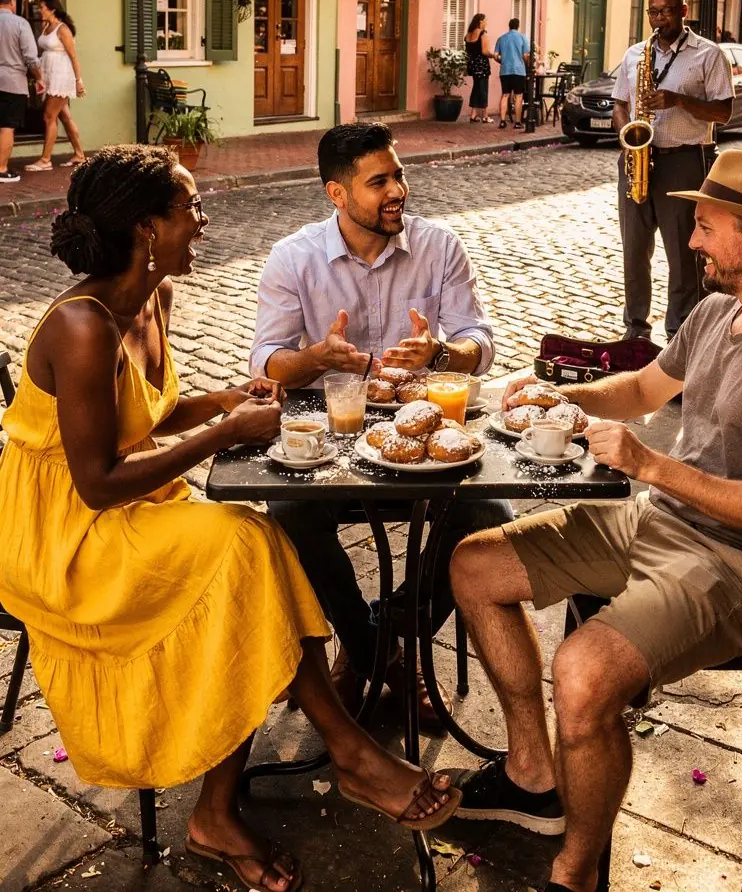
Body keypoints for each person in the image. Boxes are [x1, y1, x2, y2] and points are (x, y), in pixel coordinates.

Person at [0, 146, 460, 892]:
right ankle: (345, 755)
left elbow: (140, 419)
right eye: (191, 208)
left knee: (251, 551)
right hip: (65, 534)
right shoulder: (80, 326)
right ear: (148, 230)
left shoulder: (152, 298)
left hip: (127, 507)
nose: (204, 223)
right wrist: (220, 435)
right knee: (243, 548)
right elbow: (96, 480)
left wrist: (214, 403)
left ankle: (240, 801)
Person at [449, 149, 742, 892]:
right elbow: (647, 388)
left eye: (706, 227)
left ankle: (575, 870)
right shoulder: (715, 313)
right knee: (473, 564)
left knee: (581, 674)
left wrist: (652, 467)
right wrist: (559, 398)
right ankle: (532, 773)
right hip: (660, 522)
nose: (689, 241)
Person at [250, 121, 512, 730]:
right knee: (288, 518)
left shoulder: (439, 245)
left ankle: (378, 639)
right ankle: (388, 657)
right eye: (379, 181)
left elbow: (480, 339)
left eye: (399, 175)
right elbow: (266, 360)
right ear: (336, 194)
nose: (398, 190)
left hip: (423, 438)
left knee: (491, 519)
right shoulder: (294, 257)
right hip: (327, 445)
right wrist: (314, 359)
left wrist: (441, 355)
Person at [613, 0, 733, 340]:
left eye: (664, 11)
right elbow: (620, 103)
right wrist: (628, 138)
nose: (657, 19)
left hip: (684, 160)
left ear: (683, 12)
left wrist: (678, 100)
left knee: (684, 255)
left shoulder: (708, 55)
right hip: (638, 159)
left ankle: (681, 334)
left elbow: (724, 112)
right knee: (634, 251)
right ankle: (635, 331)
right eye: (652, 12)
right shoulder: (636, 54)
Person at [26, 0, 86, 172]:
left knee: (48, 116)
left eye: (42, 7)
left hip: (61, 76)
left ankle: (45, 160)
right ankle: (80, 155)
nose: (39, 10)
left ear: (52, 9)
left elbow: (73, 56)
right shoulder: (46, 27)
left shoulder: (63, 29)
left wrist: (78, 81)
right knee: (65, 116)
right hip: (49, 74)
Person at [0, 0, 44, 184]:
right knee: (7, 126)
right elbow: (30, 57)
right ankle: (1, 169)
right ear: (13, 3)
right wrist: (39, 78)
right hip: (11, 81)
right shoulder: (20, 24)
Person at [494, 17, 530, 129]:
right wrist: (527, 64)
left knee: (505, 95)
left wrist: (502, 61)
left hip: (505, 70)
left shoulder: (501, 38)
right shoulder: (522, 37)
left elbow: (495, 56)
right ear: (518, 26)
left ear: (509, 26)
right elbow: (525, 55)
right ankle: (518, 122)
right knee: (518, 96)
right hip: (519, 70)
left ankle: (503, 121)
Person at [464, 12, 496, 124]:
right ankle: (485, 116)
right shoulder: (483, 33)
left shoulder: (468, 34)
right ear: (480, 22)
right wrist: (493, 56)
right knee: (483, 89)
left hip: (472, 64)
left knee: (477, 88)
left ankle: (473, 114)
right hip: (481, 64)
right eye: (485, 20)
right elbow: (484, 51)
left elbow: (468, 50)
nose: (486, 22)